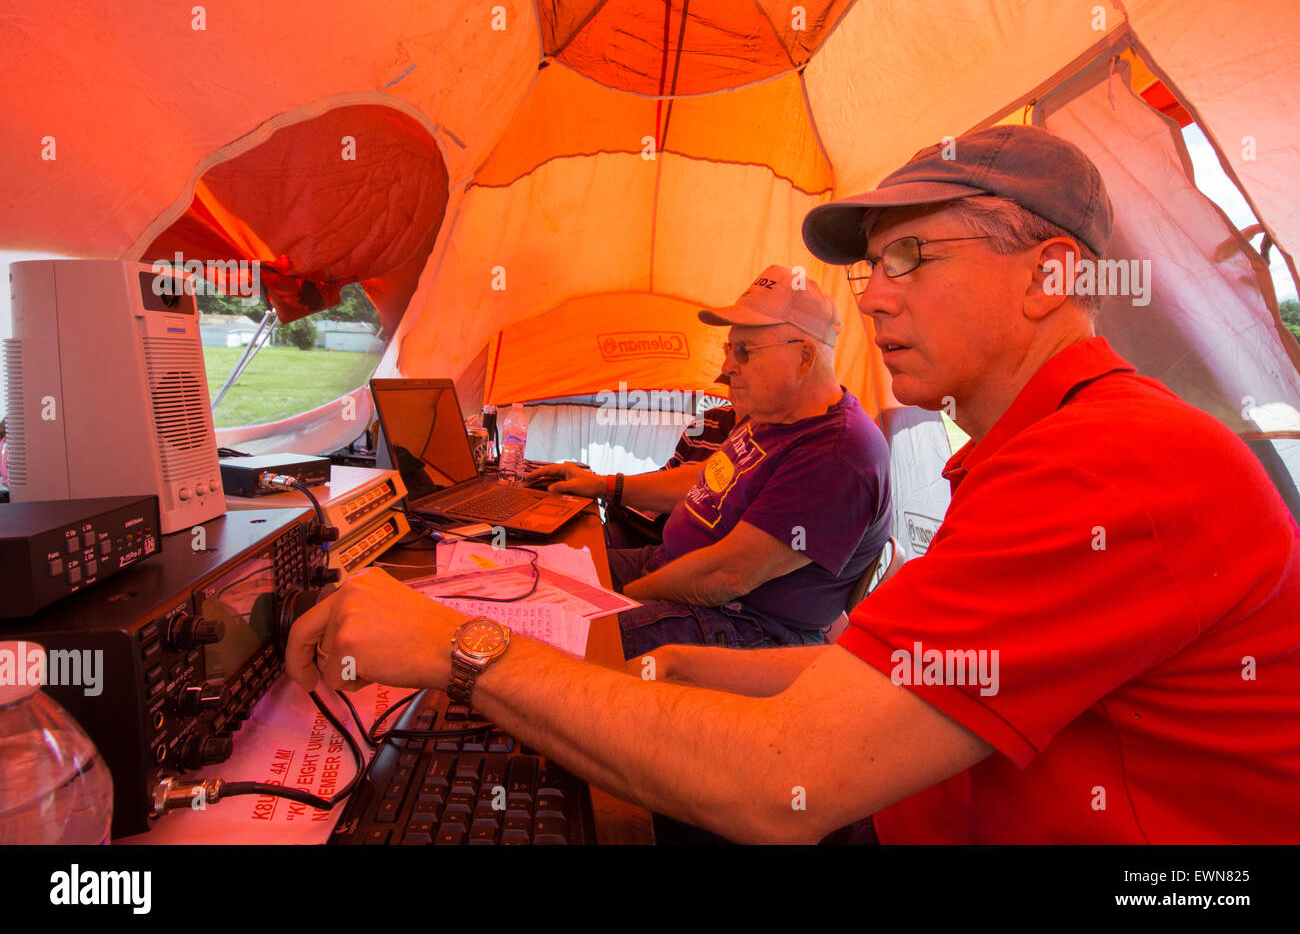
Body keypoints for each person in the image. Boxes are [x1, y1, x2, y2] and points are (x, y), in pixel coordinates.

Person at [288, 126, 1300, 843]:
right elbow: (920, 675)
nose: (877, 299)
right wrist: (682, 672)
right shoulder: (1031, 448)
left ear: (1048, 275)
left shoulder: (1112, 463)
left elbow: (788, 784)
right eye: (871, 271)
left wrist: (463, 648)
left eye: (911, 257)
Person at [525, 264, 893, 658]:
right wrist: (603, 484)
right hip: (670, 566)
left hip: (744, 623)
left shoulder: (833, 454)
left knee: (553, 637)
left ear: (804, 358)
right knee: (536, 576)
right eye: (728, 350)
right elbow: (708, 478)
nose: (727, 368)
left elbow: (727, 576)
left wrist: (613, 599)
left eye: (745, 352)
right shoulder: (773, 415)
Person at [601, 375, 745, 549]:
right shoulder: (707, 421)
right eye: (731, 382)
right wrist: (611, 486)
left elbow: (696, 487)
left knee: (598, 563)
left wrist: (609, 486)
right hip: (660, 530)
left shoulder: (765, 443)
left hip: (696, 547)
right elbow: (671, 471)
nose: (735, 391)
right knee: (599, 539)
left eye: (743, 384)